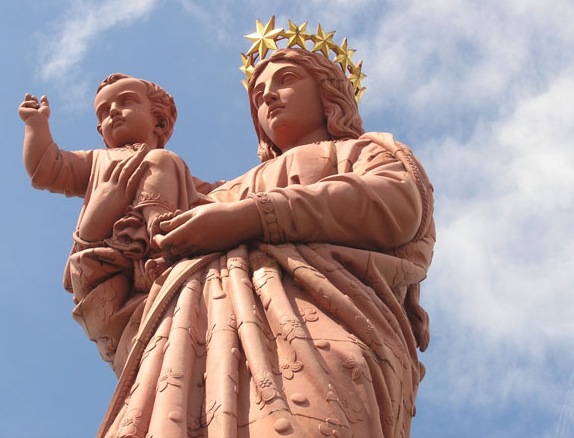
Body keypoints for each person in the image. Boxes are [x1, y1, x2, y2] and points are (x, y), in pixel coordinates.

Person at [72, 45, 435, 438]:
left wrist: (251, 217)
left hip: (321, 340)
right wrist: (95, 224)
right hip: (186, 362)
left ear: (329, 92)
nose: (270, 97)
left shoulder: (362, 151)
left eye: (287, 80)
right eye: (258, 96)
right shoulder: (216, 196)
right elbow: (117, 310)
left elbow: (395, 204)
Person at [19, 74, 215, 367]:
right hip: (111, 253)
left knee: (165, 161)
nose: (112, 111)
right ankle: (163, 234)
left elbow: (215, 197)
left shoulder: (175, 173)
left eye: (125, 102)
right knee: (165, 161)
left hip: (152, 264)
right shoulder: (98, 160)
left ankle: (161, 237)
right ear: (101, 131)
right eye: (103, 111)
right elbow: (45, 169)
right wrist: (36, 125)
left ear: (159, 121)